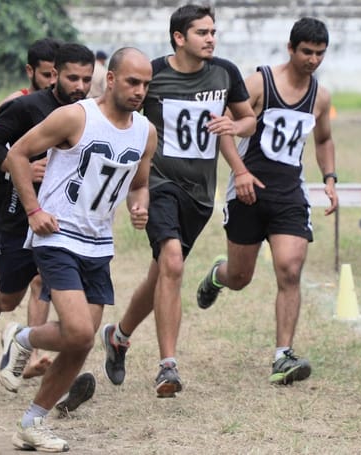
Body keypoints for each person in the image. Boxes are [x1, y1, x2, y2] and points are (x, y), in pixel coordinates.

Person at [0, 46, 157, 452]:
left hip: (98, 243)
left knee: (81, 342)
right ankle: (23, 338)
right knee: (80, 330)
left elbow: (139, 184)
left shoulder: (145, 132)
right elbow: (17, 154)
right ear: (112, 79)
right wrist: (33, 210)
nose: (139, 91)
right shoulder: (76, 116)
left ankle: (32, 423)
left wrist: (139, 205)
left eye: (145, 84)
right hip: (57, 235)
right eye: (132, 82)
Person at [100, 4, 256, 398]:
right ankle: (167, 365)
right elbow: (119, 112)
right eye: (202, 32)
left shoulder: (225, 72)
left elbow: (249, 119)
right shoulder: (152, 74)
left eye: (213, 32)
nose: (211, 39)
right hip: (159, 183)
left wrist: (235, 125)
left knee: (161, 274)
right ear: (179, 37)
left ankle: (119, 336)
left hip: (200, 195)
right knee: (171, 262)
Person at [196, 17, 339, 385]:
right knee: (240, 277)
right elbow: (224, 129)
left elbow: (323, 139)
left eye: (320, 53)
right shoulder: (259, 82)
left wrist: (330, 178)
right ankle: (218, 275)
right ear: (290, 48)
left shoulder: (320, 96)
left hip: (290, 194)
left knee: (290, 269)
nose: (313, 60)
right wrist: (240, 171)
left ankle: (282, 356)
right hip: (248, 191)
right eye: (306, 52)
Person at [0, 43, 98, 406]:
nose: (79, 86)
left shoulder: (90, 112)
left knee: (50, 284)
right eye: (72, 78)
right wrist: (21, 169)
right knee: (6, 294)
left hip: (64, 221)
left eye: (86, 79)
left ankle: (50, 369)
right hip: (18, 214)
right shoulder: (26, 107)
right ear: (54, 74)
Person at [0, 38, 60, 379]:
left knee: (40, 278)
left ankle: (31, 354)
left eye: (58, 74)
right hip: (2, 204)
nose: (53, 81)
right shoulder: (16, 103)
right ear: (30, 71)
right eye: (47, 74)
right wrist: (18, 167)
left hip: (42, 209)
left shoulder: (69, 108)